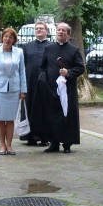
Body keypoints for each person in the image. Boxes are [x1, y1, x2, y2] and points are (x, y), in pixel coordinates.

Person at [35, 22, 84, 154]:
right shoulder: (49, 48)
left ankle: (67, 144)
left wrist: (68, 72)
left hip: (67, 89)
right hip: (51, 88)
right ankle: (54, 143)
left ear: (68, 34)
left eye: (63, 30)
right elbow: (42, 66)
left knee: (66, 115)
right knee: (51, 115)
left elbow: (80, 68)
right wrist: (44, 78)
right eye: (58, 30)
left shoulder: (74, 50)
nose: (60, 32)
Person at [0, 28, 27, 155]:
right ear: (2, 38)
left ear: (14, 40)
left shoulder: (19, 52)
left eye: (10, 37)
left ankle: (9, 145)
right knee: (0, 118)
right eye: (5, 36)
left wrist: (23, 90)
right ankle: (2, 145)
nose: (7, 39)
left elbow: (22, 72)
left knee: (10, 119)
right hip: (0, 89)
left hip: (14, 90)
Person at [21, 22, 52, 146]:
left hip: (46, 83)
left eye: (41, 28)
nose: (38, 30)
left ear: (46, 31)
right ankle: (30, 136)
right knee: (29, 107)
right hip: (30, 82)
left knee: (45, 108)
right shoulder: (27, 47)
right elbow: (22, 66)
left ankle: (45, 136)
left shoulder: (52, 46)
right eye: (37, 29)